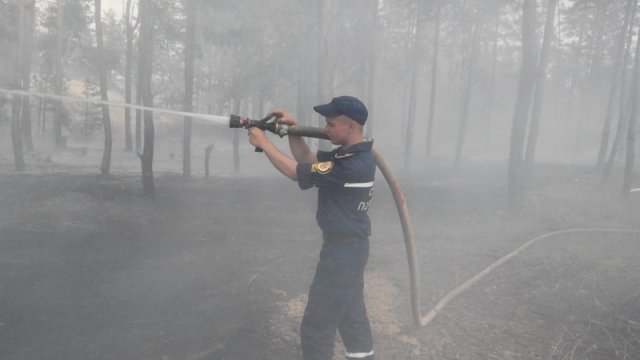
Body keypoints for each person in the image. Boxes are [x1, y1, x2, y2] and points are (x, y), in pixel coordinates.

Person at [248, 96, 375, 360]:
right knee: (351, 319)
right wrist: (294, 130)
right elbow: (307, 160)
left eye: (331, 124)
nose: (326, 129)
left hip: (343, 255)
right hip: (349, 249)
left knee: (316, 329)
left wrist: (264, 143)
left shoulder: (352, 166)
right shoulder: (348, 155)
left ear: (351, 127)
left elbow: (297, 172)